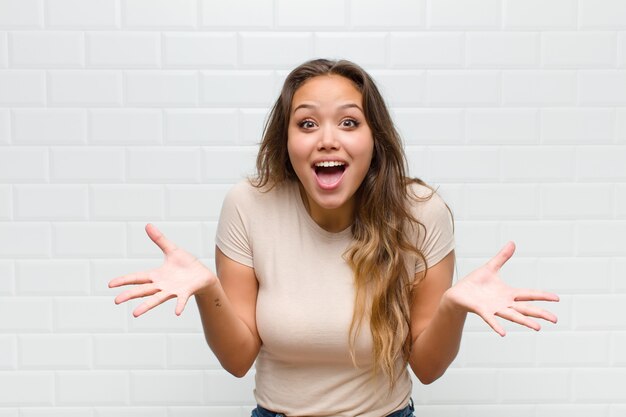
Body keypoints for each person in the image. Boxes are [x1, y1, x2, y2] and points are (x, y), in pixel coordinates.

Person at [109, 59, 559, 417]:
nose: (327, 140)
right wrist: (209, 290)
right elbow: (238, 359)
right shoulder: (249, 205)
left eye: (348, 123)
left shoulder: (421, 211)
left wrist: (452, 308)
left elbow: (426, 368)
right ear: (285, 141)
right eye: (306, 124)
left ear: (375, 140)